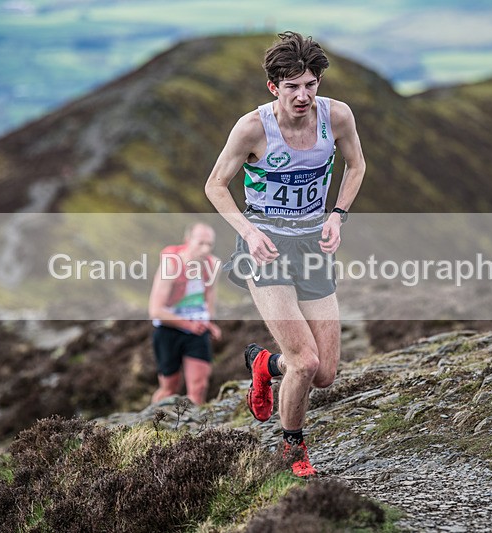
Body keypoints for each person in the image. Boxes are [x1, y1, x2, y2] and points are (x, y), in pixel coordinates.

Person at [204, 31, 365, 477]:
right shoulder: (253, 128)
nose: (303, 95)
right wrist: (248, 232)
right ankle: (293, 449)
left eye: (310, 85)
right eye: (292, 86)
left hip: (314, 246)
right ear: (274, 87)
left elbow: (357, 165)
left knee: (326, 373)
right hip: (266, 249)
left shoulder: (337, 117)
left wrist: (336, 216)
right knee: (305, 361)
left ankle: (263, 363)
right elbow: (215, 185)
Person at [149, 223, 222, 406]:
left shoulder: (213, 265)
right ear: (188, 240)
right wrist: (188, 324)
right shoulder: (171, 265)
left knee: (199, 388)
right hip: (169, 331)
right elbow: (155, 311)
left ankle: (195, 431)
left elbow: (210, 295)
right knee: (169, 389)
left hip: (197, 331)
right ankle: (152, 425)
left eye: (209, 244)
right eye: (201, 243)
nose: (205, 249)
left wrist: (210, 322)